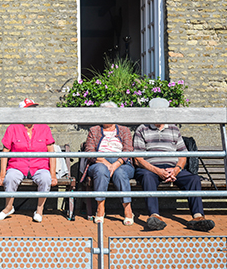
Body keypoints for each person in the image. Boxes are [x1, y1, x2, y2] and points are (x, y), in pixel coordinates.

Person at [133, 97, 215, 232]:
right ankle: (154, 216)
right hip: (150, 168)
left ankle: (198, 217)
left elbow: (183, 155)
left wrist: (176, 170)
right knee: (147, 177)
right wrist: (158, 171)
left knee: (193, 179)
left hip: (172, 167)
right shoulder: (142, 129)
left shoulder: (173, 129)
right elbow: (138, 159)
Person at [0, 98, 58, 223]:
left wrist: (53, 174)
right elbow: (5, 152)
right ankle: (8, 208)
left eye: (34, 109)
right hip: (18, 165)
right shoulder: (13, 128)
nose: (32, 112)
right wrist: (2, 174)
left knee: (45, 179)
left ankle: (39, 210)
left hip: (39, 166)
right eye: (29, 109)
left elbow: (51, 152)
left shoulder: (44, 128)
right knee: (10, 177)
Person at [85, 101, 135, 225]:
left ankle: (128, 209)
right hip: (99, 161)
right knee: (101, 170)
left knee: (120, 173)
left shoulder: (124, 130)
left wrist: (116, 164)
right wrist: (105, 162)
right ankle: (100, 207)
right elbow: (89, 150)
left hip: (122, 162)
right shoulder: (94, 130)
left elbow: (128, 149)